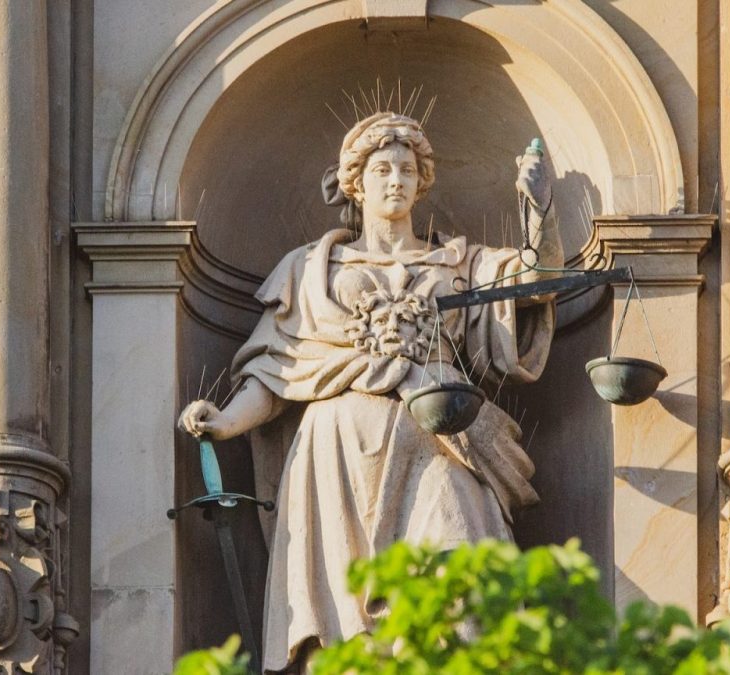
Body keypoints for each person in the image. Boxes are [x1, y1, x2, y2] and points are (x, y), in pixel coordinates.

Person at [177, 111, 562, 673]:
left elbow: (537, 282)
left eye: (408, 169)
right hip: (337, 460)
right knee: (344, 621)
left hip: (443, 441)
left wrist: (539, 211)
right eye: (382, 169)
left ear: (422, 182)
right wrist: (226, 421)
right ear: (355, 182)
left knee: (463, 569)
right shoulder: (310, 270)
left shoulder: (460, 263)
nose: (396, 180)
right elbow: (280, 369)